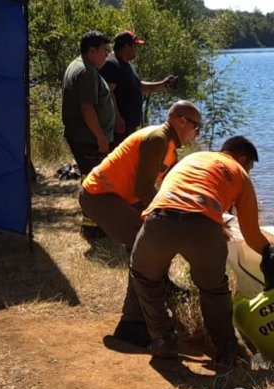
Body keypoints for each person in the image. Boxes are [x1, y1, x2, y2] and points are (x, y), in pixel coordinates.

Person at [129, 136, 270, 368]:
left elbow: (182, 192)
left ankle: (163, 339)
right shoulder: (240, 174)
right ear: (243, 159)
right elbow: (252, 235)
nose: (249, 171)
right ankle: (226, 351)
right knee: (214, 290)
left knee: (143, 276)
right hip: (203, 230)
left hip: (160, 220)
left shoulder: (192, 158)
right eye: (250, 166)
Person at [79, 100, 202, 347]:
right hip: (99, 195)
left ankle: (160, 290)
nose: (197, 134)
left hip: (119, 198)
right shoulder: (157, 139)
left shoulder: (169, 148)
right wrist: (168, 217)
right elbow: (144, 189)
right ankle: (132, 324)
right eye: (196, 127)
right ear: (181, 121)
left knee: (152, 245)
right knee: (147, 246)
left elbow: (166, 190)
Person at [62, 31, 117, 240]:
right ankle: (93, 228)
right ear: (92, 51)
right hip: (88, 139)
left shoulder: (80, 66)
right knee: (96, 182)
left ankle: (92, 224)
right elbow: (87, 108)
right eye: (104, 50)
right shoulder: (86, 71)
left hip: (83, 137)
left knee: (90, 180)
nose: (107, 54)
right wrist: (100, 137)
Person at [100, 31, 177, 136]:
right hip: (118, 128)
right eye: (135, 46)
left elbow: (139, 88)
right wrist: (117, 119)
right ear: (127, 46)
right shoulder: (112, 63)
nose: (136, 49)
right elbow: (108, 93)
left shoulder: (127, 65)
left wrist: (163, 84)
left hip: (128, 127)